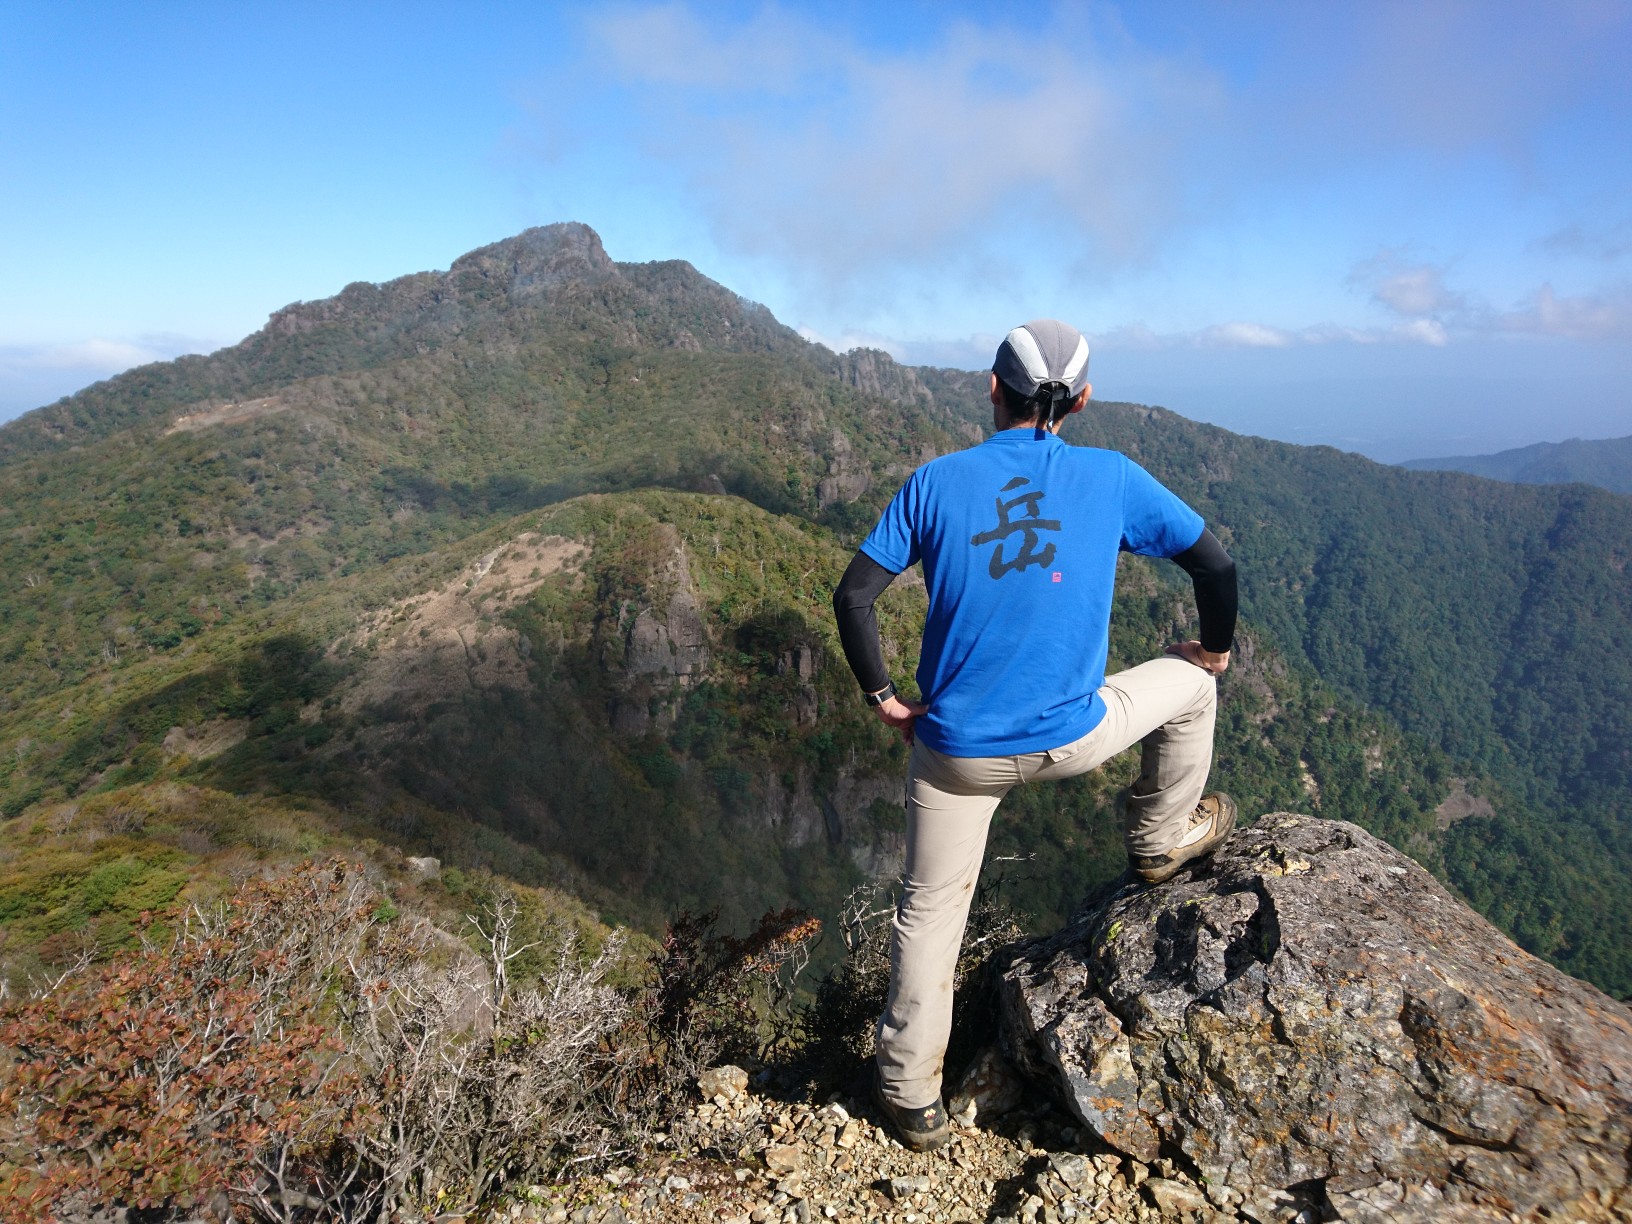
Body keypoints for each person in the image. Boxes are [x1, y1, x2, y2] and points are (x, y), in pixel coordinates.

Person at [830, 319, 1238, 1152]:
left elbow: (854, 596)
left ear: (991, 387)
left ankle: (910, 1096)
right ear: (1083, 400)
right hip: (1074, 737)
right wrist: (1216, 649)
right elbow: (1216, 567)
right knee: (1192, 684)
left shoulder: (937, 482)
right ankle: (1161, 839)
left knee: (930, 914)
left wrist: (886, 700)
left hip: (954, 757)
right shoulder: (1112, 477)